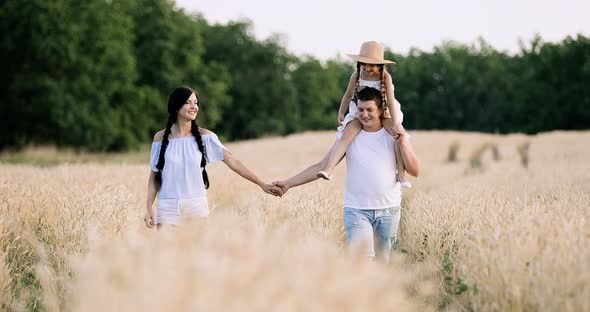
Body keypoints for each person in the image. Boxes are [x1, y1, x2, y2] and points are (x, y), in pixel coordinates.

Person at [273, 87, 420, 262]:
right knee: (362, 264)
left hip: (389, 209)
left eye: (369, 110)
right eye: (361, 110)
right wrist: (289, 183)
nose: (364, 115)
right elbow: (322, 165)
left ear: (381, 110)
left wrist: (402, 142)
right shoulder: (349, 136)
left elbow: (415, 170)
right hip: (357, 210)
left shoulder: (394, 135)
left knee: (382, 266)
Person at [144, 86, 281, 229]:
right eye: (188, 102)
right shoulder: (159, 138)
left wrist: (262, 184)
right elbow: (154, 175)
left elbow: (233, 162)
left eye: (196, 102)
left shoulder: (206, 137)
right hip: (167, 208)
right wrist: (149, 207)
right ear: (176, 106)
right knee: (165, 251)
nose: (194, 107)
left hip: (195, 207)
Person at [316, 41, 411, 188]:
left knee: (395, 135)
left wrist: (396, 122)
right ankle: (328, 169)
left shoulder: (385, 77)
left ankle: (401, 174)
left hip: (383, 110)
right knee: (347, 134)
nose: (368, 68)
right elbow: (347, 95)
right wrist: (341, 111)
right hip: (361, 111)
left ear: (380, 65)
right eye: (364, 64)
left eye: (372, 65)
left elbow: (391, 100)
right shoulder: (356, 75)